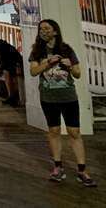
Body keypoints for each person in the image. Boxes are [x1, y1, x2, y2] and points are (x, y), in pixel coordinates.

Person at [29, 19, 96, 187]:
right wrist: (47, 63)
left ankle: (82, 170)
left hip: (68, 96)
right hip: (48, 97)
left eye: (47, 28)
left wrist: (70, 66)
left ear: (55, 31)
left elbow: (78, 73)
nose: (43, 31)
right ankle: (58, 167)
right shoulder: (37, 51)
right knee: (54, 130)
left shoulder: (66, 49)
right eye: (41, 29)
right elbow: (33, 71)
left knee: (74, 132)